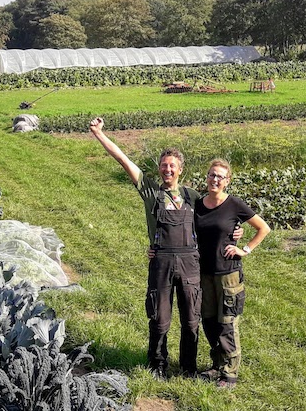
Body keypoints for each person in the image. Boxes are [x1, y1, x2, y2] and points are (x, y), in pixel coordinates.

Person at [89, 117, 243, 379]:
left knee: (191, 320)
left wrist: (236, 232)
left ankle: (188, 367)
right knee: (160, 319)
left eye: (172, 166)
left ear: (180, 170)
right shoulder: (150, 192)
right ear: (159, 169)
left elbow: (219, 215)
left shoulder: (193, 196)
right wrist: (99, 133)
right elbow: (124, 160)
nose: (167, 170)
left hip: (189, 264)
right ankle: (157, 364)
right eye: (163, 166)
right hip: (160, 262)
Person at [194, 158, 271, 389]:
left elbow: (263, 228)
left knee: (227, 322)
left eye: (220, 176)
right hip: (203, 272)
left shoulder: (234, 204)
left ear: (227, 181)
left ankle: (230, 373)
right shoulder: (198, 204)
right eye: (211, 174)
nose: (214, 179)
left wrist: (244, 249)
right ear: (206, 177)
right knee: (208, 320)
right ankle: (217, 364)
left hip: (228, 273)